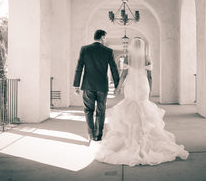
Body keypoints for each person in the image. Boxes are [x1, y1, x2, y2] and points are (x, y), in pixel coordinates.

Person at [94, 37, 189, 166]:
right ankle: (145, 139)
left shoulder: (128, 58)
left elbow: (124, 75)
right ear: (142, 47)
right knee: (144, 106)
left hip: (131, 85)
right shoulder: (147, 58)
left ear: (133, 46)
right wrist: (150, 89)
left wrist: (118, 87)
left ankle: (129, 140)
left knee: (129, 106)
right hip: (143, 85)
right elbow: (150, 76)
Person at [73, 29, 120, 142]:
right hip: (102, 86)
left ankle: (91, 133)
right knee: (101, 110)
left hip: (87, 85)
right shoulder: (108, 51)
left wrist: (76, 85)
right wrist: (118, 86)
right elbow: (114, 69)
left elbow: (79, 67)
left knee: (88, 110)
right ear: (102, 37)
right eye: (105, 38)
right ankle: (98, 135)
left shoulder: (85, 49)